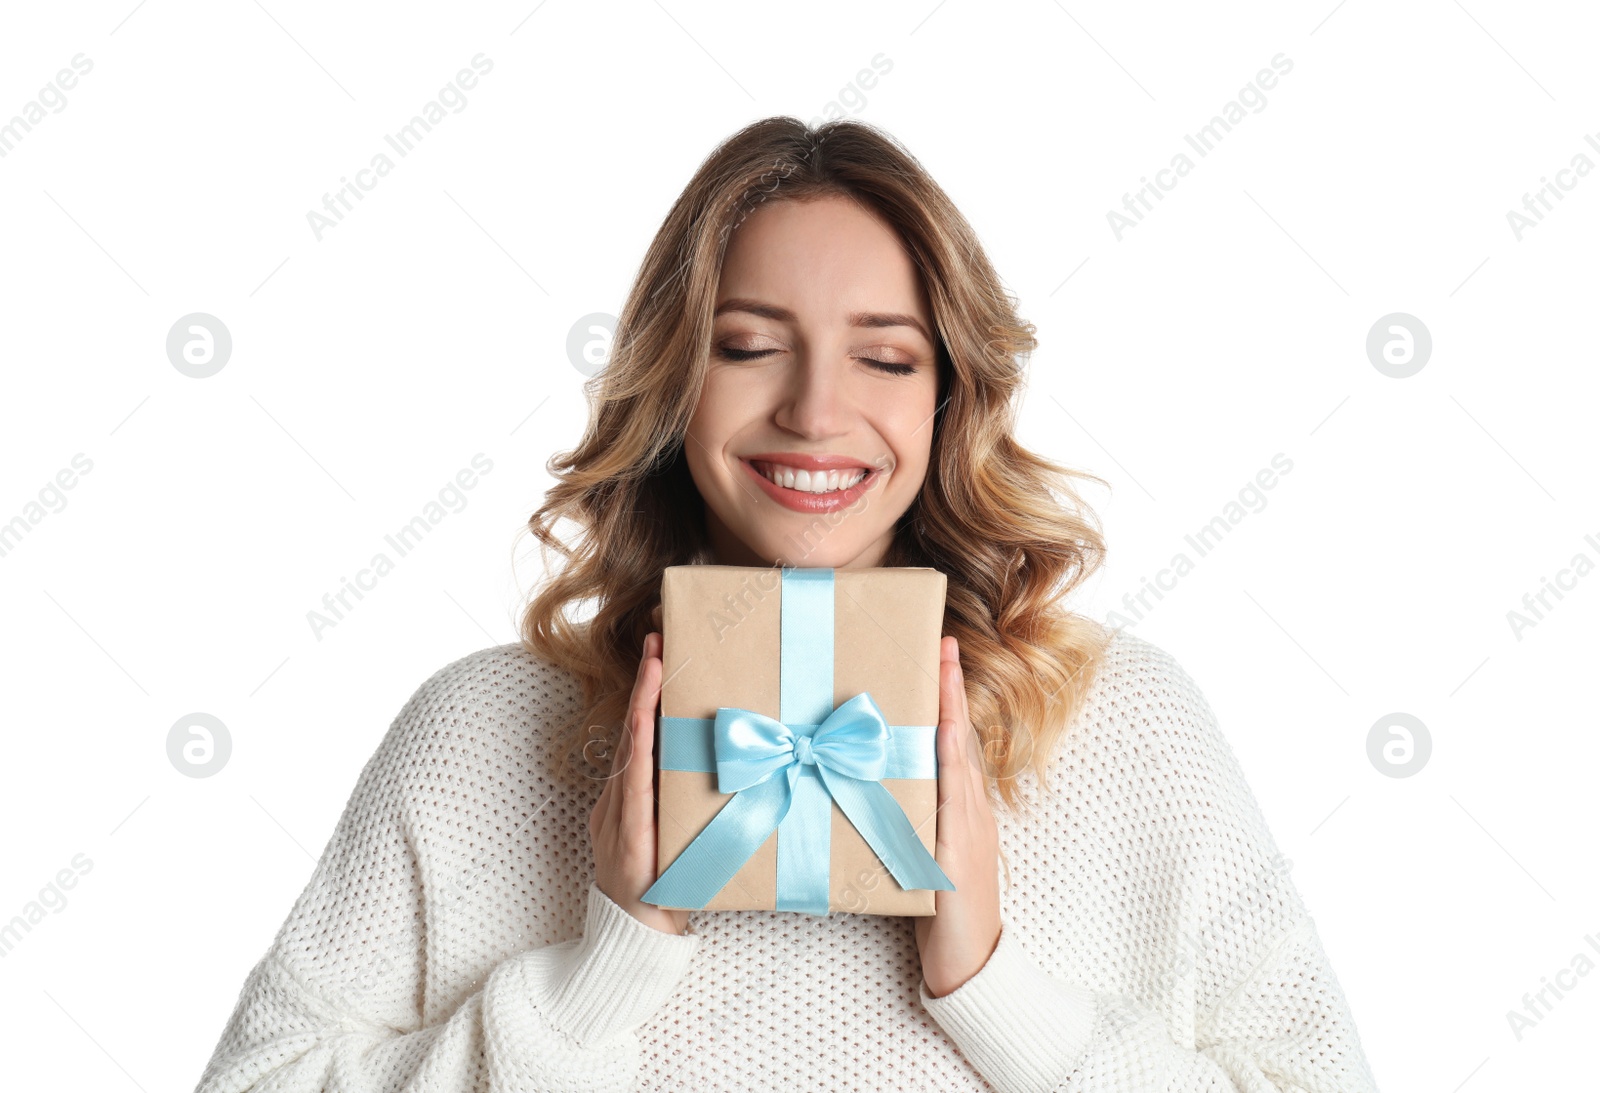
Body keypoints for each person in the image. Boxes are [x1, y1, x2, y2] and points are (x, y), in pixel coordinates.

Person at [193, 116, 1379, 1092]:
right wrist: (592, 979)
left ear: (948, 398)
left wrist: (998, 993)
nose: (815, 411)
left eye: (887, 356)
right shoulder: (482, 732)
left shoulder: (1123, 724)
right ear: (671, 378)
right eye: (751, 344)